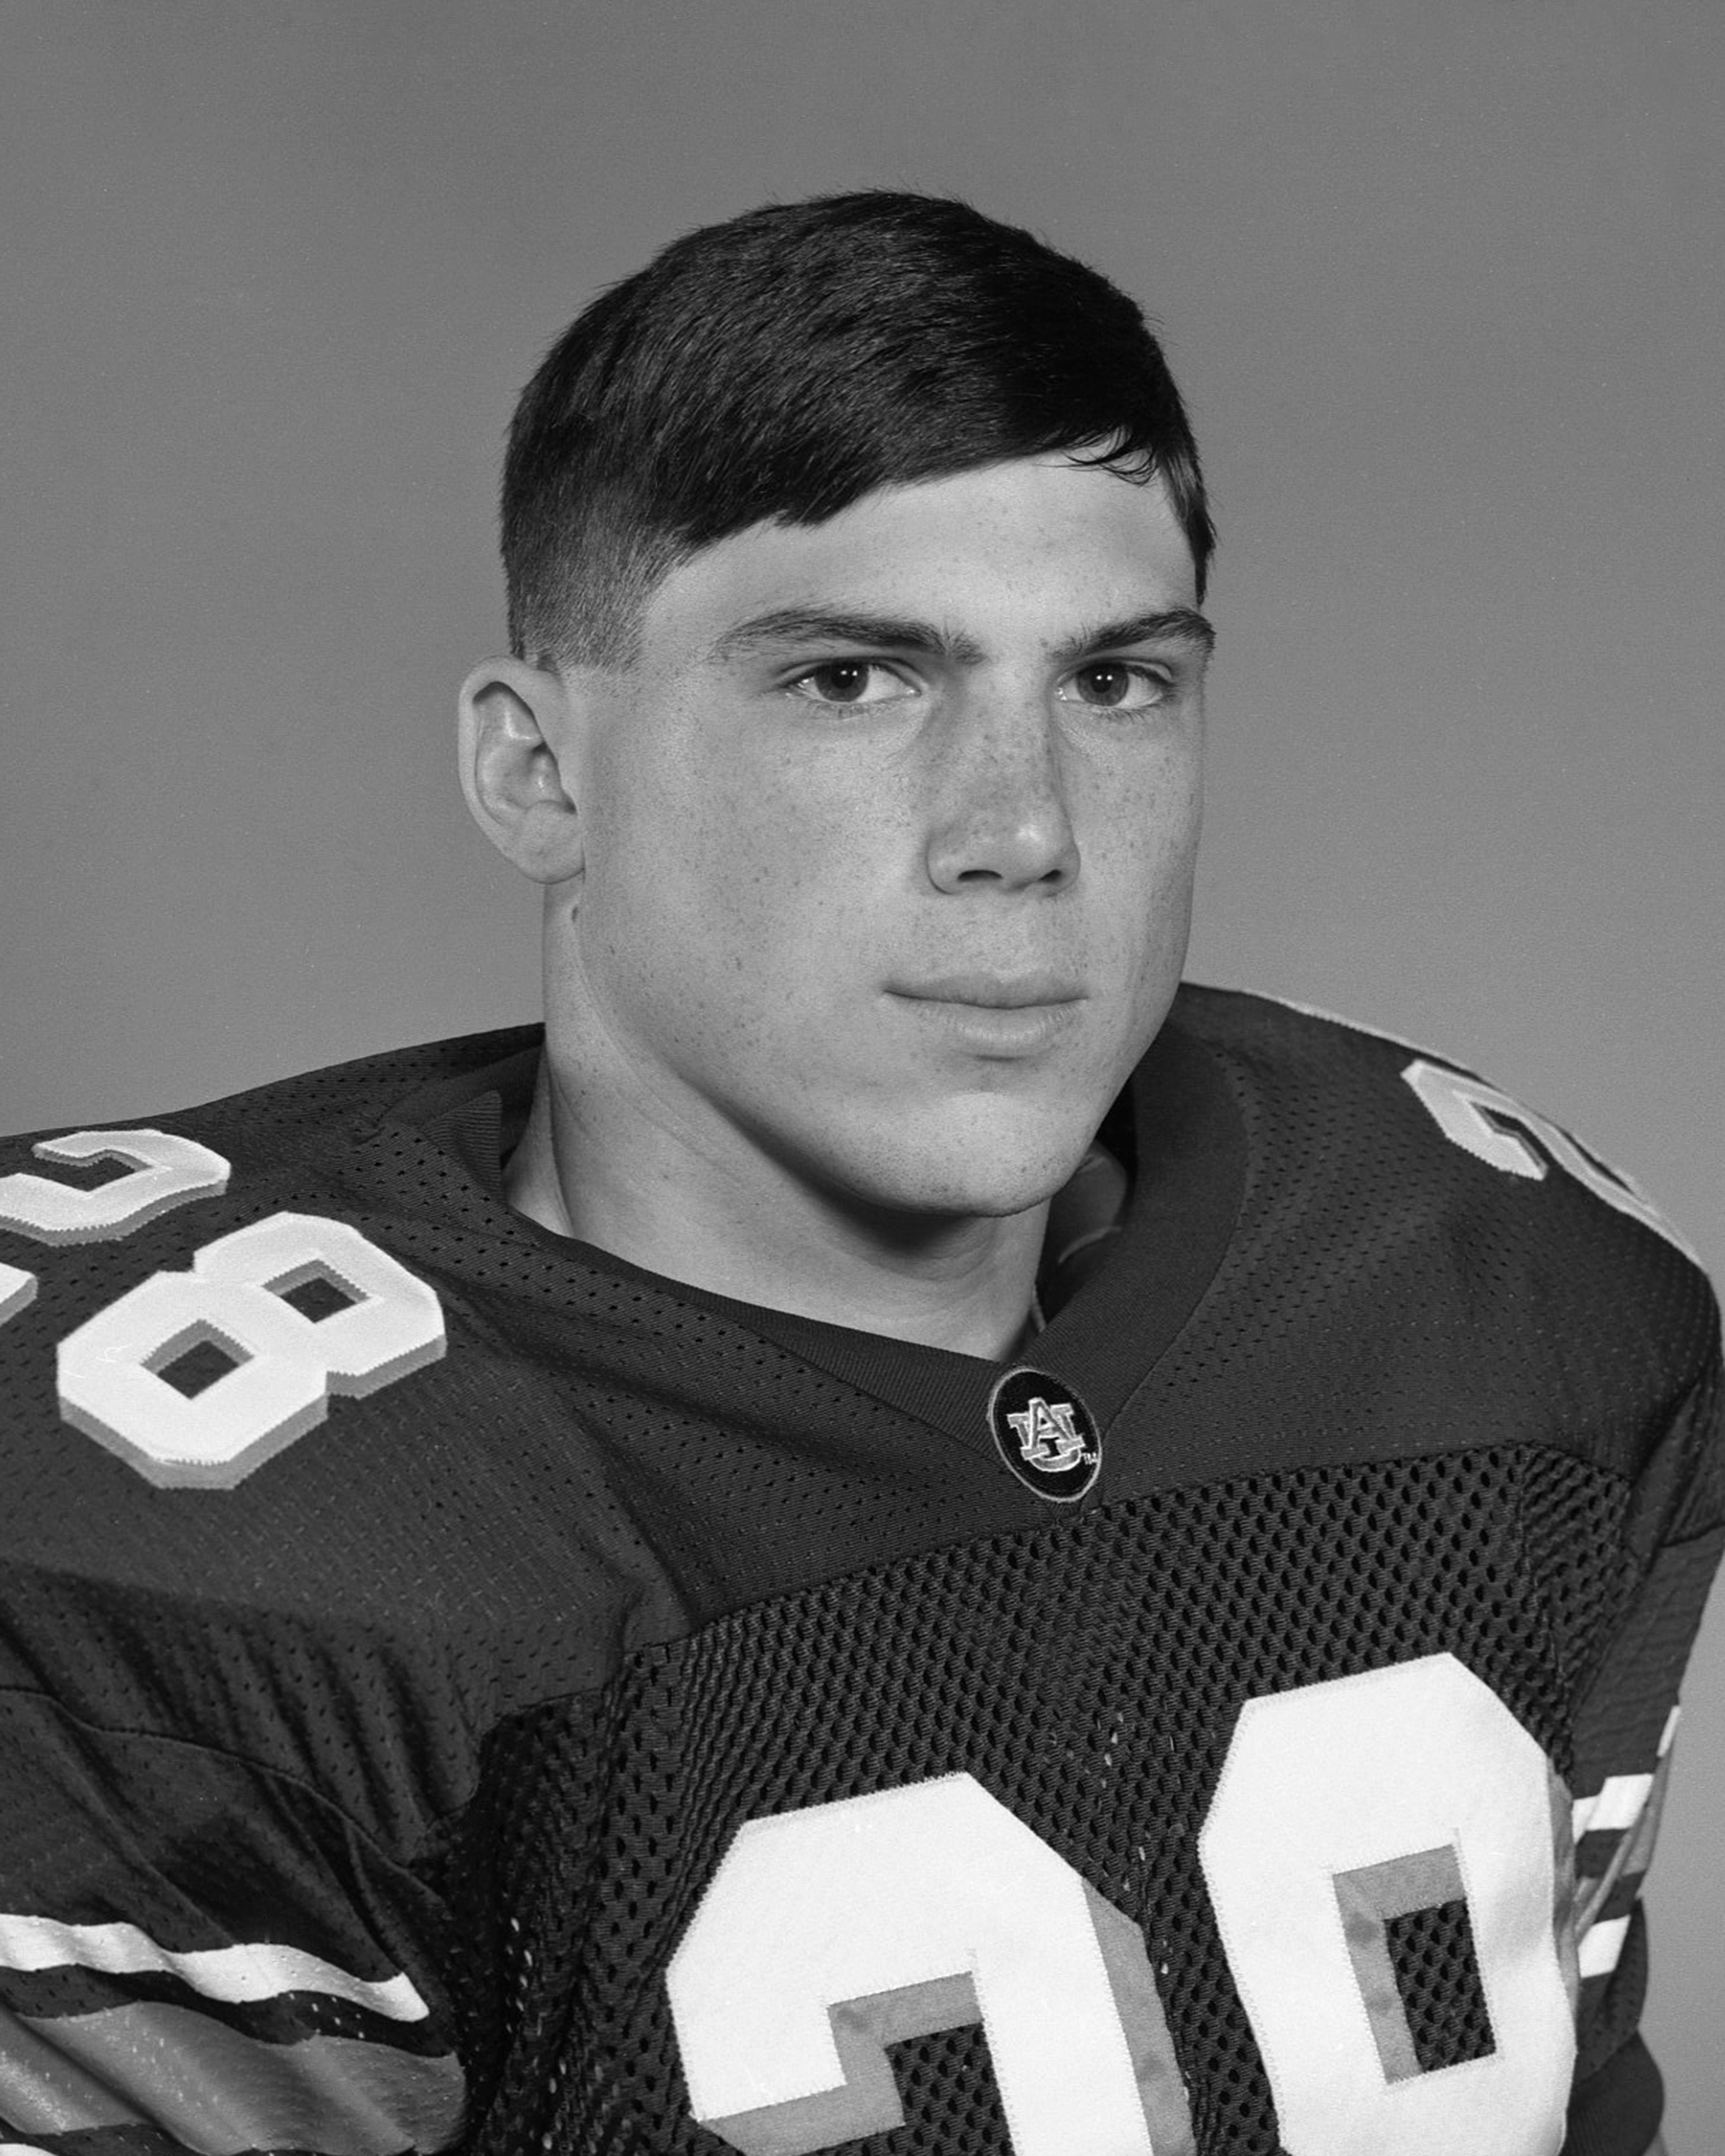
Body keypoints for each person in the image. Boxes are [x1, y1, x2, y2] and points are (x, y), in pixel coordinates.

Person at [0, 191, 1716, 2156]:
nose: (1022, 829)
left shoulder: (1494, 1293)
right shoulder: (189, 1539)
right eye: (851, 680)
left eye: (1114, 683)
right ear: (538, 771)